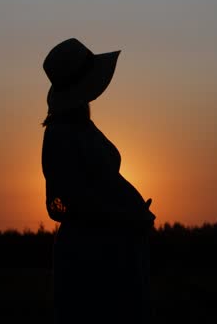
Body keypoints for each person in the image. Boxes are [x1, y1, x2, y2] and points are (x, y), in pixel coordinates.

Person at [41, 38, 156, 323]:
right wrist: (124, 217)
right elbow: (61, 205)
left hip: (110, 252)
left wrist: (131, 213)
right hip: (90, 257)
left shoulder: (81, 127)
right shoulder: (59, 135)